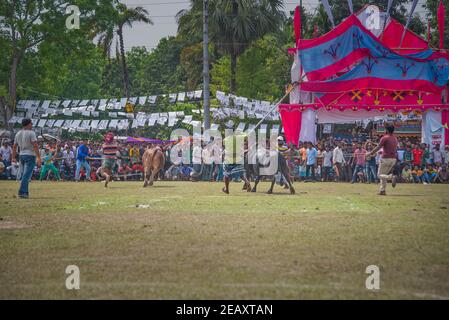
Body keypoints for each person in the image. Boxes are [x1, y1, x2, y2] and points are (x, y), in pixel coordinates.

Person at [11, 119, 42, 198]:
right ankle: (23, 192)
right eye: (31, 123)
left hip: (21, 155)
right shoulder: (31, 133)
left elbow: (14, 146)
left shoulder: (18, 133)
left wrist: (13, 157)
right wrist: (38, 157)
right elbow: (35, 145)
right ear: (28, 124)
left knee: (24, 174)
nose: (32, 125)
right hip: (30, 155)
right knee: (26, 175)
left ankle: (25, 192)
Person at [366, 124, 398, 196]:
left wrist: (369, 153)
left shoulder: (384, 138)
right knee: (383, 175)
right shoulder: (395, 138)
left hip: (385, 158)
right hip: (393, 159)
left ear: (387, 130)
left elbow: (378, 147)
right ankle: (382, 190)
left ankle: (391, 177)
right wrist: (372, 143)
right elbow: (384, 145)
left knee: (379, 175)